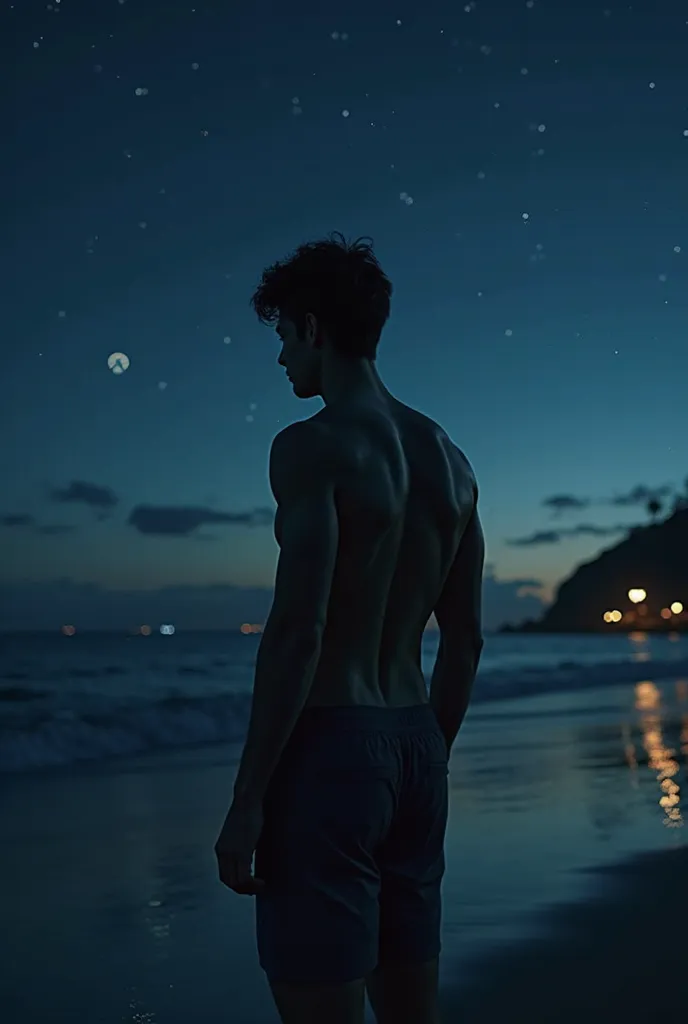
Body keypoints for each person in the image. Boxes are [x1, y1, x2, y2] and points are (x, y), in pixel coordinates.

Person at [214, 233, 485, 1024]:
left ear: (313, 328)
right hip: (416, 744)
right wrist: (430, 752)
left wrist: (247, 800)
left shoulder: (313, 447)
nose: (282, 361)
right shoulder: (452, 460)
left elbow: (301, 629)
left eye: (283, 339)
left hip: (332, 748)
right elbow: (464, 640)